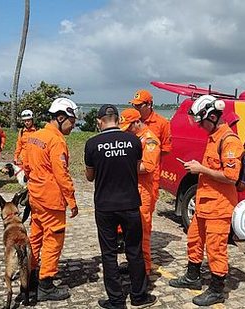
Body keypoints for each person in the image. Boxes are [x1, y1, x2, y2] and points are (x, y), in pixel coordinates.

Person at [169, 95, 244, 307]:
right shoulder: (213, 137)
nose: (200, 126)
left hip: (219, 207)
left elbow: (231, 176)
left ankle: (217, 289)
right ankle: (192, 277)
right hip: (204, 204)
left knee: (215, 248)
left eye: (201, 121)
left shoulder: (228, 141)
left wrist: (200, 169)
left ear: (212, 116)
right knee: (194, 240)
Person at [84, 104, 157, 309]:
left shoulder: (92, 144)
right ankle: (139, 297)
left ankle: (116, 300)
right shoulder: (134, 141)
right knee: (134, 251)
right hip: (130, 204)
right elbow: (136, 168)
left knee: (109, 254)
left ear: (99, 121)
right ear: (116, 119)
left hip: (105, 206)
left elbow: (90, 177)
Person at [22, 98, 80, 302]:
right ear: (61, 117)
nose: (73, 126)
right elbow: (61, 174)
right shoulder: (56, 141)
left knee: (35, 237)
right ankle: (46, 284)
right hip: (51, 199)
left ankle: (29, 276)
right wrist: (71, 200)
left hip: (35, 196)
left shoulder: (34, 136)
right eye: (71, 122)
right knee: (53, 240)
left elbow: (25, 165)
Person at [119, 108, 161, 275]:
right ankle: (133, 263)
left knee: (142, 230)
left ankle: (145, 267)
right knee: (130, 231)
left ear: (137, 122)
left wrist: (124, 165)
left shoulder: (150, 140)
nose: (127, 130)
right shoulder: (134, 138)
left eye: (129, 126)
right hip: (131, 189)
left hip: (143, 191)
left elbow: (148, 166)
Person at [129, 89, 171, 204]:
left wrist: (150, 156)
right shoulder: (131, 122)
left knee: (145, 212)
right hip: (130, 172)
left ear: (149, 104)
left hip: (150, 175)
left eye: (138, 105)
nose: (135, 108)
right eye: (134, 105)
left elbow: (165, 150)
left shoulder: (162, 123)